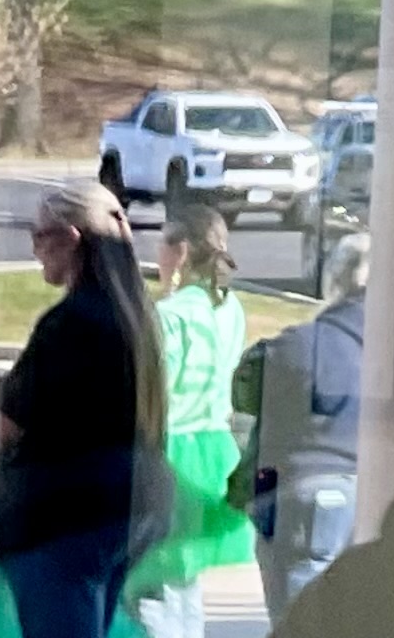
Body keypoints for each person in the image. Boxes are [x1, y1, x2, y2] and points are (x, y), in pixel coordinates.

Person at [0, 183, 163, 638]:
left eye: (40, 235)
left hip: (57, 521)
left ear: (71, 238)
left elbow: (8, 425)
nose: (35, 249)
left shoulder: (68, 325)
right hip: (120, 514)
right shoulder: (138, 321)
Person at [124, 202, 253, 636]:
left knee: (149, 588)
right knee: (183, 582)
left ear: (179, 252)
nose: (156, 253)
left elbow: (151, 396)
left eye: (161, 242)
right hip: (213, 453)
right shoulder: (229, 308)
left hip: (168, 453)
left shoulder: (170, 316)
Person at [236, 237, 368, 621]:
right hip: (366, 495)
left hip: (302, 499)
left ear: (335, 283)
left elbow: (244, 391)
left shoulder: (298, 344)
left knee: (297, 617)